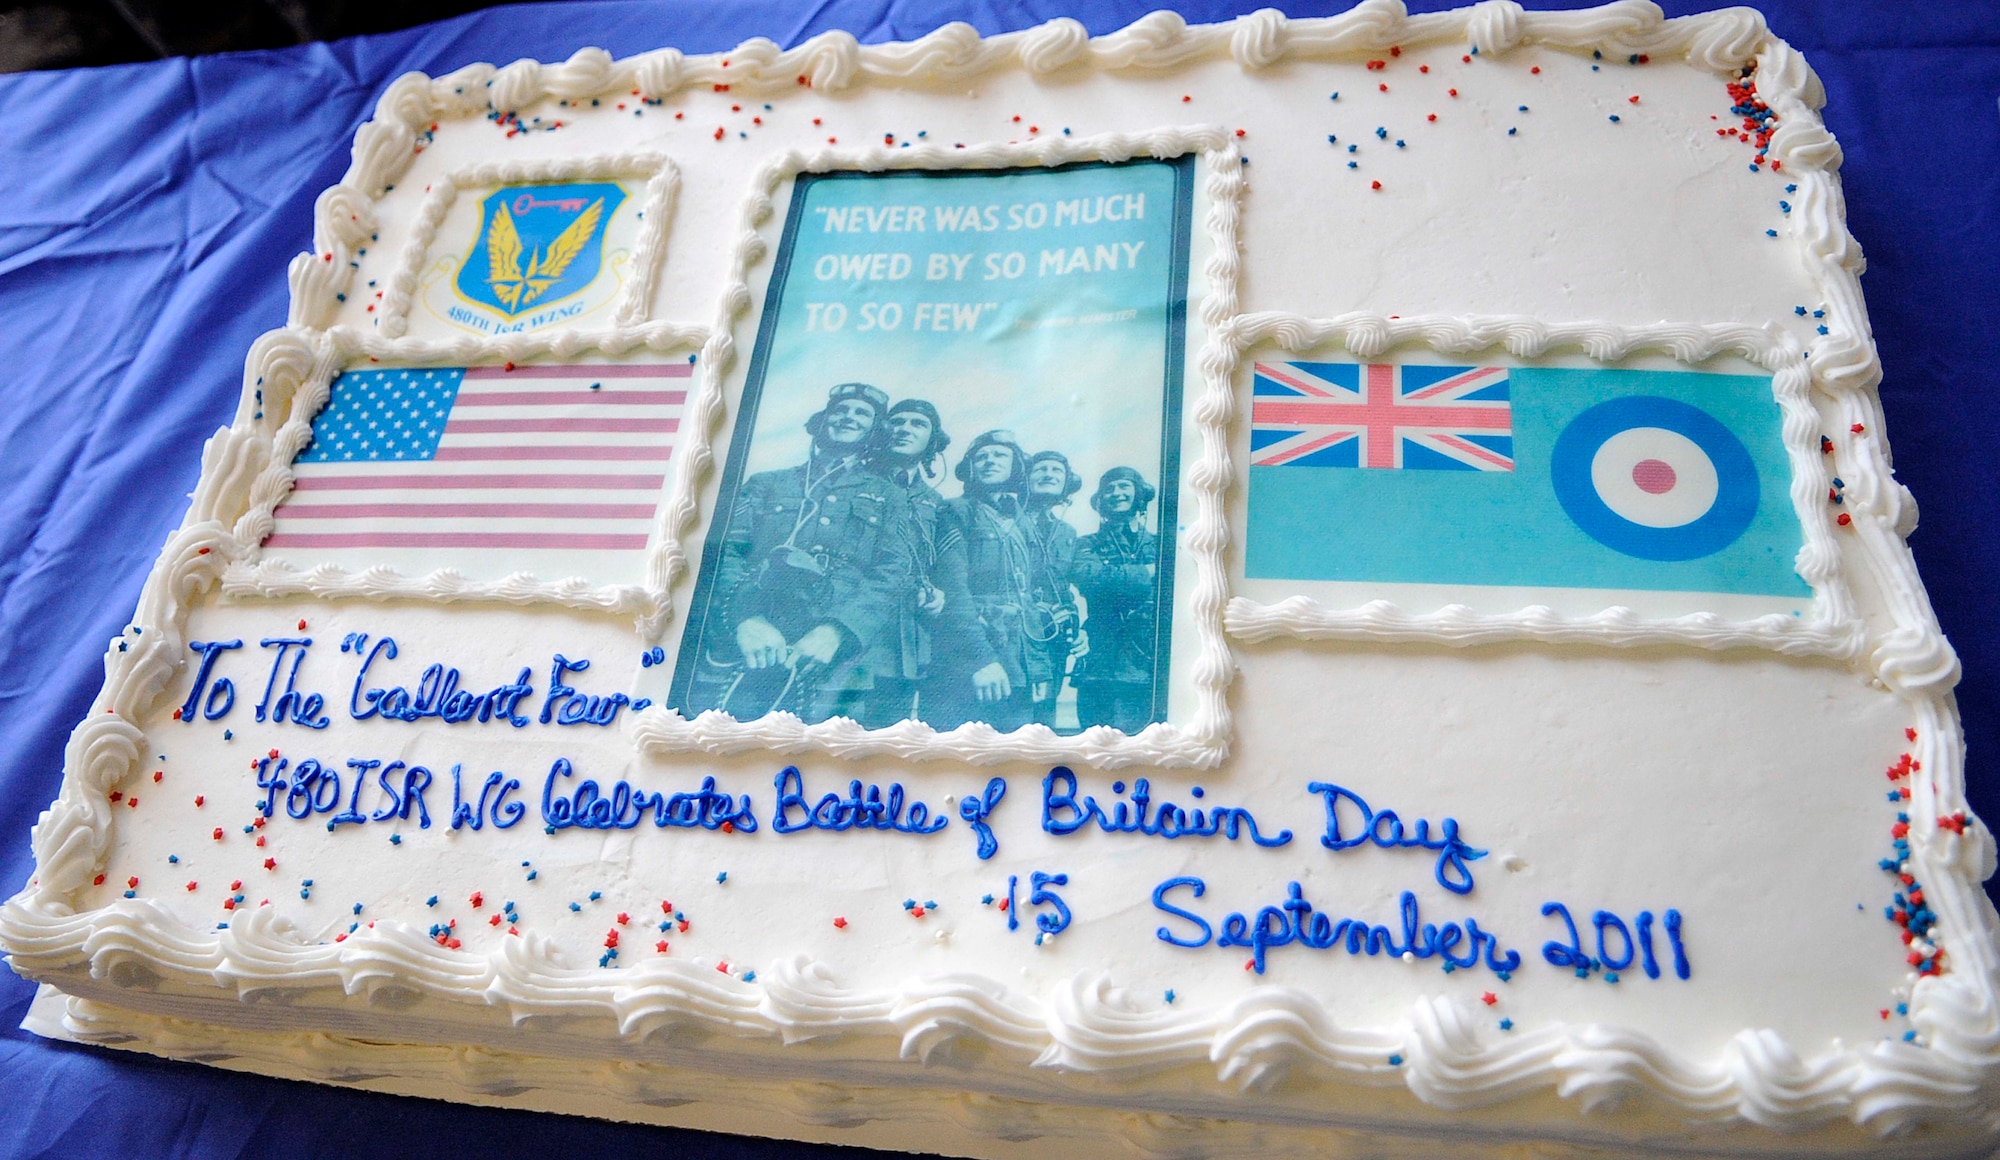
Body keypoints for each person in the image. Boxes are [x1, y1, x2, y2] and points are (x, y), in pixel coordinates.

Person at [687, 382, 913, 724]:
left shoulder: (889, 497)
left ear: (875, 430)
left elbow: (893, 572)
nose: (849, 417)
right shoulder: (767, 484)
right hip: (751, 641)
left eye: (862, 413)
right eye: (841, 410)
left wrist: (836, 631)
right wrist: (746, 618)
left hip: (838, 658)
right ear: (823, 420)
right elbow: (727, 553)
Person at [858, 398, 997, 729]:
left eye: (918, 424)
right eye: (898, 421)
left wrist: (936, 592)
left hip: (902, 651)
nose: (905, 428)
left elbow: (951, 579)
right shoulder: (854, 485)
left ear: (933, 442)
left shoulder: (936, 507)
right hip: (849, 644)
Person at [941, 430, 1043, 731]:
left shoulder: (1022, 520)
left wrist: (1038, 669)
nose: (989, 461)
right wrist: (980, 660)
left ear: (1017, 467)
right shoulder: (955, 511)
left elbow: (1029, 596)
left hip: (1019, 660)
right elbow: (953, 591)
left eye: (999, 455)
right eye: (981, 457)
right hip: (971, 659)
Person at [1071, 466, 1160, 733]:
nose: (1116, 493)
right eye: (1109, 489)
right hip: (1100, 658)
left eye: (1124, 487)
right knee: (1094, 739)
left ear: (1139, 494)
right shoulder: (1087, 544)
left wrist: (1115, 579)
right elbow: (1088, 577)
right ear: (1100, 500)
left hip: (1146, 659)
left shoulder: (1160, 544)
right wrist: (1146, 573)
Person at [1023, 449, 1085, 729]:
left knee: (1044, 719)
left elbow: (1065, 588)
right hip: (1018, 636)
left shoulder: (1067, 532)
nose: (1048, 474)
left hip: (1054, 640)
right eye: (1040, 469)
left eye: (1056, 470)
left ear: (1066, 482)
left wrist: (1076, 627)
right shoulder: (1008, 520)